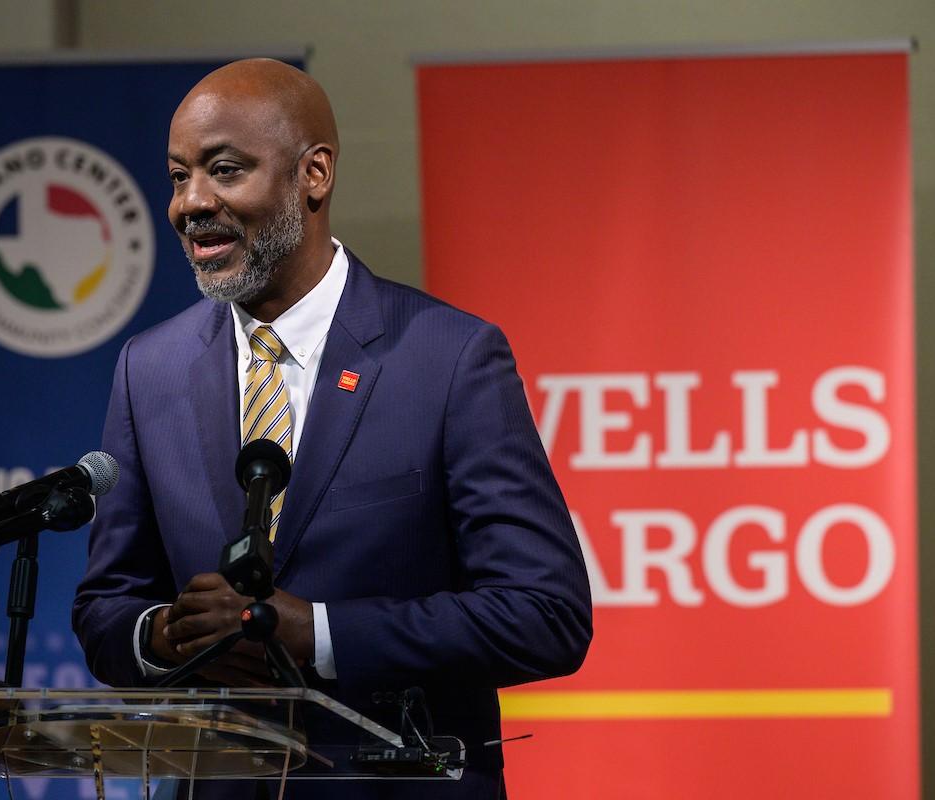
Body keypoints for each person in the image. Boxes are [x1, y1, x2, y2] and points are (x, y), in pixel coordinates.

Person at [72, 58, 592, 799]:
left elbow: (545, 614)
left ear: (313, 175)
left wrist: (313, 632)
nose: (191, 203)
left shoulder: (448, 359)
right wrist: (171, 635)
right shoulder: (148, 368)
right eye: (178, 176)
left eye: (224, 170)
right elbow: (105, 609)